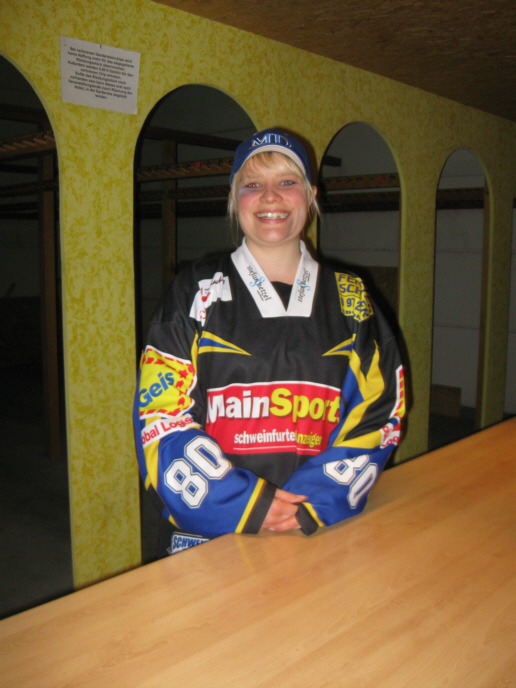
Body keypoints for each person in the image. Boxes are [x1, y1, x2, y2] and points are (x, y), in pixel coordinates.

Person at [133, 128, 405, 556]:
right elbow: (160, 414)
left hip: (313, 524)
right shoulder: (194, 291)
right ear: (234, 199)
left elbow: (380, 410)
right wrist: (245, 504)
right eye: (253, 185)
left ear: (311, 195)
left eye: (287, 181)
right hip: (213, 532)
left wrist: (311, 501)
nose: (270, 196)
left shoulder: (351, 297)